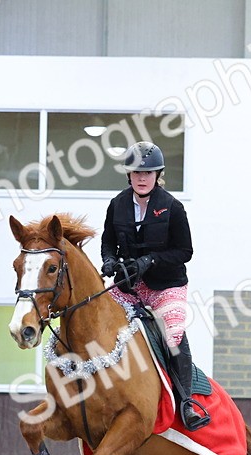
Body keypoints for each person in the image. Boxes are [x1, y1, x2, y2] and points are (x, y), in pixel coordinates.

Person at [100, 141, 209, 430]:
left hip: (166, 285)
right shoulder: (117, 205)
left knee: (173, 334)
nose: (142, 178)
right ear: (129, 175)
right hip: (129, 285)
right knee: (101, 319)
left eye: (147, 173)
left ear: (157, 175)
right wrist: (109, 260)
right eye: (137, 173)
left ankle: (187, 403)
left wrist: (150, 260)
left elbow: (185, 251)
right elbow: (108, 241)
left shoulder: (173, 207)